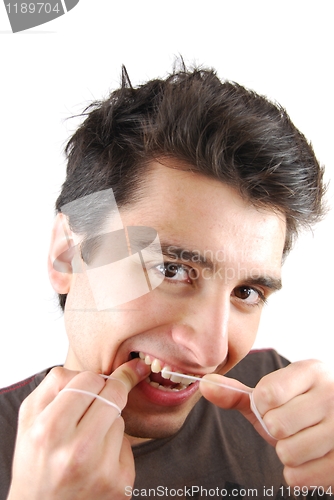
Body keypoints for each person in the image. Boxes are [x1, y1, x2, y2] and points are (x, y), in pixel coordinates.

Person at [1, 63, 333, 500]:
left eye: (246, 292)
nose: (211, 351)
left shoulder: (287, 413)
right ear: (67, 254)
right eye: (171, 269)